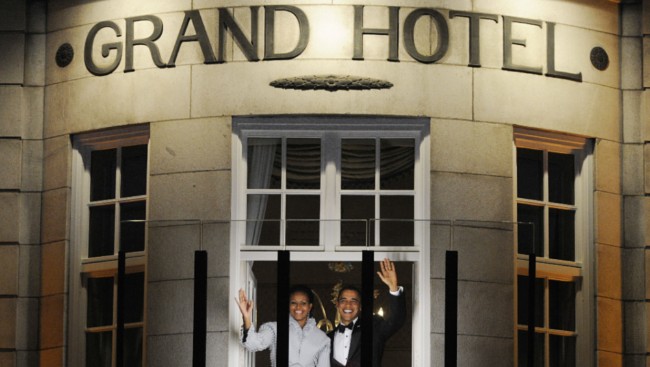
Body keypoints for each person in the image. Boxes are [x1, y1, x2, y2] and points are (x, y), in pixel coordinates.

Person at [328, 258, 406, 367]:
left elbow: (396, 320)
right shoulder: (327, 338)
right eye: (343, 300)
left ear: (360, 306)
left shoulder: (373, 328)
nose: (348, 305)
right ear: (337, 304)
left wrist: (393, 288)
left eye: (353, 301)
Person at [236, 285, 331, 367]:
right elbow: (254, 343)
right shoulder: (274, 329)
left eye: (303, 303)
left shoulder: (322, 339)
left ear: (310, 307)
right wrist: (247, 317)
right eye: (293, 303)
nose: (298, 307)